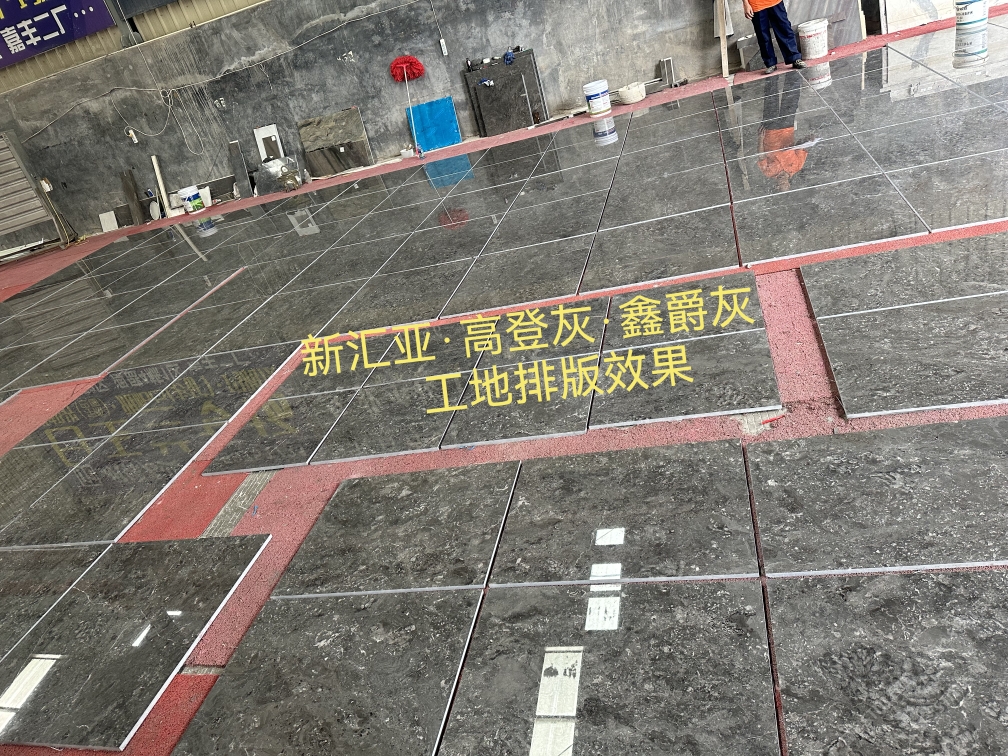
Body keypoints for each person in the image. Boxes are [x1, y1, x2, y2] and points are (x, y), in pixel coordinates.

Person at [743, 0, 807, 74]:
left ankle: (794, 58)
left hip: (775, 2)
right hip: (756, 4)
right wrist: (746, 4)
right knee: (762, 35)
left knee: (784, 28)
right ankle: (770, 63)